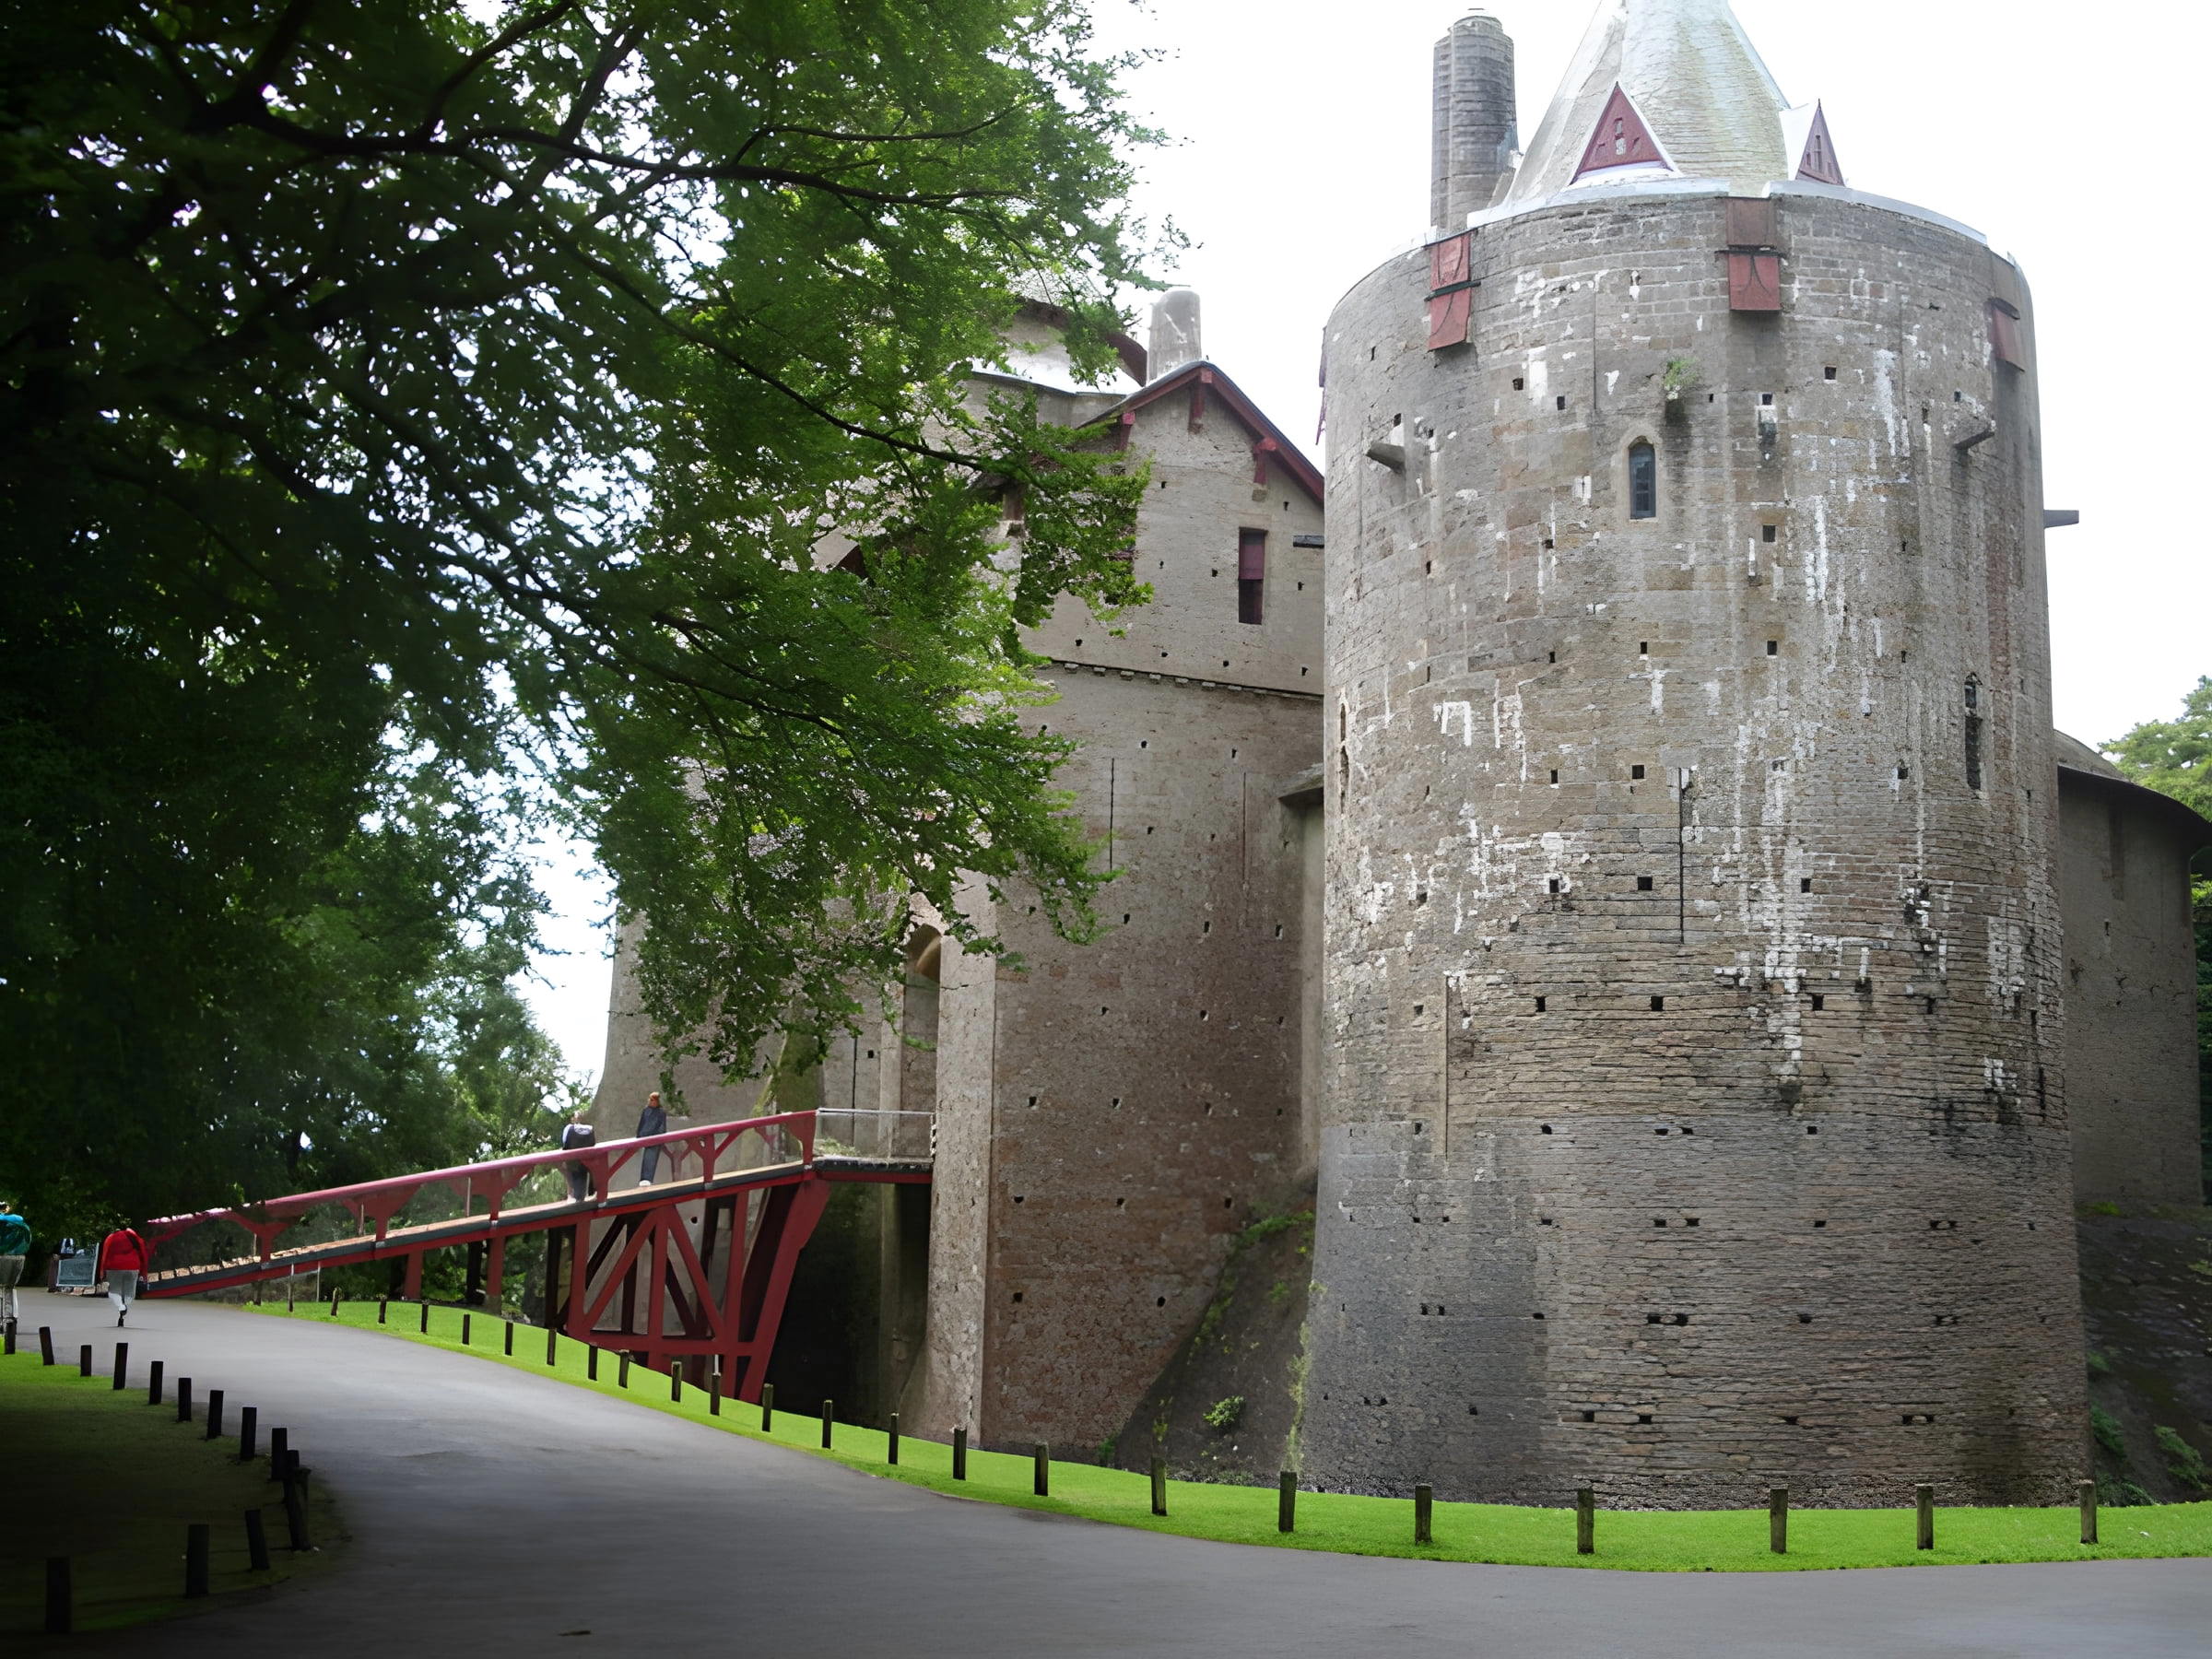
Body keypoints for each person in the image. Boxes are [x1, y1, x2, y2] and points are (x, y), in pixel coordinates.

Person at [99, 1222, 149, 1326]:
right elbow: (144, 1253)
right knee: (129, 1293)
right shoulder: (134, 1237)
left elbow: (105, 1255)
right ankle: (125, 1305)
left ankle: (121, 1307)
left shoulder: (111, 1238)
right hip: (133, 1267)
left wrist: (102, 1272)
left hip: (114, 1267)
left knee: (113, 1291)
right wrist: (144, 1272)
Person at [0, 1202, 29, 1326]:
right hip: (18, 1257)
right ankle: (10, 1317)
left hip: (2, 1257)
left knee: (2, 1287)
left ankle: (3, 1318)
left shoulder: (4, 1224)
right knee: (9, 1288)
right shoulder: (17, 1222)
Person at [559, 1112, 598, 1203]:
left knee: (569, 1171)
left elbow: (565, 1143)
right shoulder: (590, 1128)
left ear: (573, 1119)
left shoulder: (568, 1128)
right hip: (588, 1161)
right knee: (587, 1173)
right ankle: (592, 1193)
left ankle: (571, 1195)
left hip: (574, 1162)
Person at [635, 1090, 668, 1185]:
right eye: (650, 1099)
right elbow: (641, 1123)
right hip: (644, 1137)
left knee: (651, 1158)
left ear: (657, 1101)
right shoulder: (646, 1110)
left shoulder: (661, 1112)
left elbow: (662, 1127)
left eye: (653, 1100)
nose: (651, 1101)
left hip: (654, 1139)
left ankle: (647, 1179)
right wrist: (639, 1136)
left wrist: (659, 1138)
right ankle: (643, 1179)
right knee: (645, 1159)